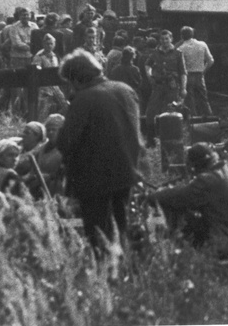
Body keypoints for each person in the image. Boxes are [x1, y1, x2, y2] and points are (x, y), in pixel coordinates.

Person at [56, 49, 145, 251]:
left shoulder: (84, 99)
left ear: (76, 78)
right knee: (122, 228)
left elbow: (66, 142)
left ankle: (105, 275)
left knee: (99, 235)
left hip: (95, 179)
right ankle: (127, 273)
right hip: (127, 172)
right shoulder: (125, 90)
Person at [148, 142, 228, 260]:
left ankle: (171, 255)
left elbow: (179, 197)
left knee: (179, 211)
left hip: (223, 247)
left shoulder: (209, 180)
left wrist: (152, 196)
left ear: (196, 166)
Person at [143, 30, 187, 147]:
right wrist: (149, 75)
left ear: (171, 39)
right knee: (151, 111)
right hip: (158, 86)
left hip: (172, 87)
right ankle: (151, 138)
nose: (164, 41)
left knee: (171, 111)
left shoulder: (178, 53)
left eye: (166, 39)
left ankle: (171, 138)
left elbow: (183, 72)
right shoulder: (155, 53)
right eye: (162, 39)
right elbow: (147, 65)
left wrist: (183, 88)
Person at [178, 26, 214, 117]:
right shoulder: (202, 44)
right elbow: (211, 61)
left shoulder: (181, 49)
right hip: (199, 75)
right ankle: (209, 118)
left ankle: (193, 119)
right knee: (203, 98)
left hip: (188, 75)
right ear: (193, 34)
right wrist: (203, 71)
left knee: (189, 100)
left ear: (182, 36)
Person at [32, 33, 68, 118]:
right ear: (43, 44)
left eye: (51, 44)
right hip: (44, 88)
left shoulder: (55, 56)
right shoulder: (39, 56)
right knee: (43, 111)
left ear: (54, 44)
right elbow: (35, 72)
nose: (49, 46)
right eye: (47, 44)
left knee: (65, 105)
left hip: (55, 86)